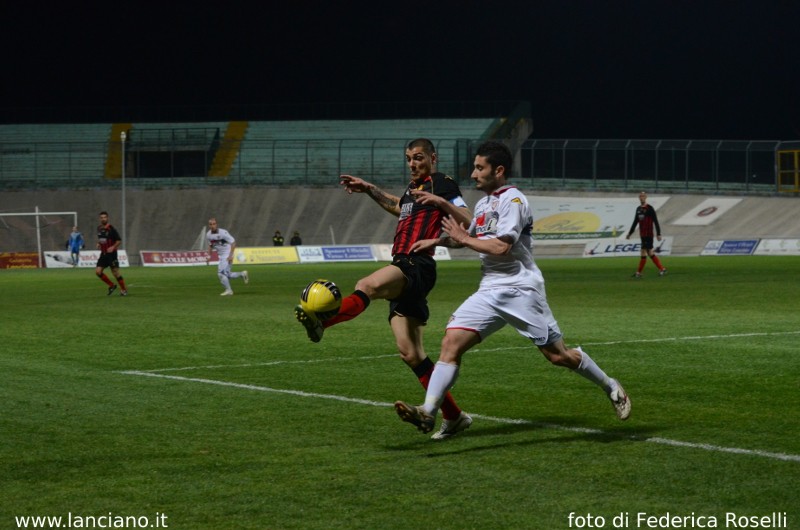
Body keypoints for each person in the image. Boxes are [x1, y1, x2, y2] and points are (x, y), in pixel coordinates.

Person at [393, 141, 631, 436]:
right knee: (450, 344)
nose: (474, 173)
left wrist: (462, 237)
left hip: (520, 290)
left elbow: (501, 246)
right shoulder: (482, 205)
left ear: (499, 170)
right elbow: (469, 237)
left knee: (558, 356)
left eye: (480, 168)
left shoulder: (514, 201)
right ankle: (429, 412)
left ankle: (610, 385)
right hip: (490, 289)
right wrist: (439, 241)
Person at [294, 138, 474, 440]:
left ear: (432, 157)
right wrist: (368, 189)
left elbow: (470, 220)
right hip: (405, 266)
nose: (412, 164)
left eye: (418, 158)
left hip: (417, 265)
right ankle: (454, 417)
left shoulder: (442, 183)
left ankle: (324, 320)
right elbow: (397, 206)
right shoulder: (412, 192)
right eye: (408, 159)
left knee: (367, 285)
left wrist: (442, 214)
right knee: (411, 353)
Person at [626, 191, 667, 278]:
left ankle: (638, 272)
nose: (642, 197)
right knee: (649, 252)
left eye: (643, 196)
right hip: (642, 235)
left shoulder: (650, 208)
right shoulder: (638, 209)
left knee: (644, 252)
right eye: (640, 196)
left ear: (646, 197)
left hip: (648, 234)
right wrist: (630, 233)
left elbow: (655, 221)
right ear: (639, 197)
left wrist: (658, 233)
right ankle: (662, 269)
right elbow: (635, 222)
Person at [206, 217, 249, 296]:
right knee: (227, 274)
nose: (212, 226)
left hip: (227, 255)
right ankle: (242, 274)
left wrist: (230, 255)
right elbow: (210, 245)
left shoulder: (223, 233)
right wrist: (209, 256)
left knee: (221, 274)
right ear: (209, 225)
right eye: (210, 224)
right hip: (221, 256)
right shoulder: (208, 235)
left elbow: (233, 243)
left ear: (216, 224)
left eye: (214, 224)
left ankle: (229, 290)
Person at [95, 211, 128, 296]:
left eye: (105, 217)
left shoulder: (111, 229)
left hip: (112, 254)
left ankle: (124, 290)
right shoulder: (99, 228)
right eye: (101, 217)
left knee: (115, 272)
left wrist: (113, 247)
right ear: (100, 219)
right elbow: (102, 239)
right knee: (98, 272)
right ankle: (112, 285)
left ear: (107, 218)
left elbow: (119, 240)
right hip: (103, 254)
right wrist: (99, 243)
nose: (103, 219)